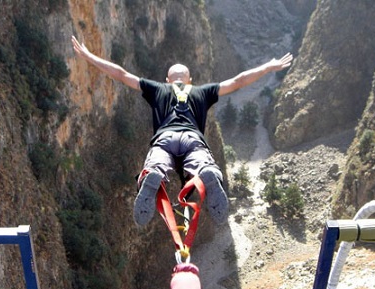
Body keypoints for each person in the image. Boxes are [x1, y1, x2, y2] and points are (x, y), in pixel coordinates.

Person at [71, 35, 293, 226]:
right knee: (202, 161)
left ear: (167, 80)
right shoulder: (202, 91)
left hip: (165, 138)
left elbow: (120, 74)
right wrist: (269, 66)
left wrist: (90, 57)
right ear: (190, 80)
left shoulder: (157, 88)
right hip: (192, 139)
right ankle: (207, 172)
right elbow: (238, 81)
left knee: (157, 161)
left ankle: (154, 173)